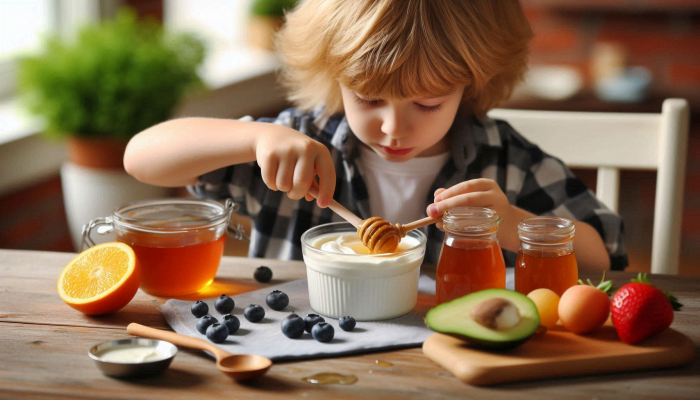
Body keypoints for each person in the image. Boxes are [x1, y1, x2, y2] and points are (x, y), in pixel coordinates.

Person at [124, 0, 627, 270]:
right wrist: (253, 141)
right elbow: (140, 158)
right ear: (333, 76)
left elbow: (602, 258)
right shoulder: (300, 142)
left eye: (428, 104)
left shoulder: (505, 161)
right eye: (367, 99)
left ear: (472, 86)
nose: (392, 127)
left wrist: (513, 223)